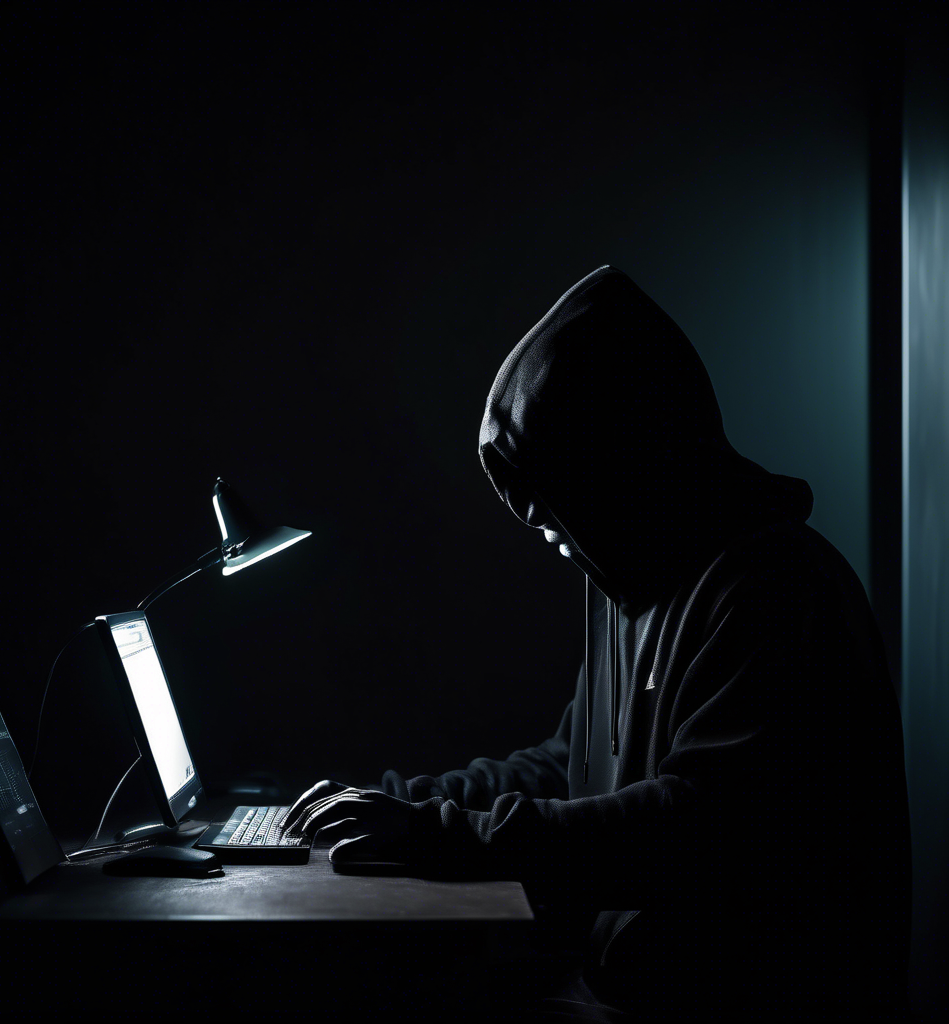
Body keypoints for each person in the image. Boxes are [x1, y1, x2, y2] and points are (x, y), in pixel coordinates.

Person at [280, 266, 912, 1022]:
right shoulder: (632, 580)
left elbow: (691, 827)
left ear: (629, 461)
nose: (548, 531)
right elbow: (571, 764)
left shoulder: (776, 587)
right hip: (628, 992)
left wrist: (431, 835)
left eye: (562, 501)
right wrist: (404, 806)